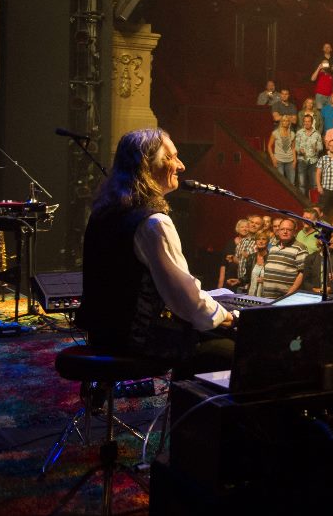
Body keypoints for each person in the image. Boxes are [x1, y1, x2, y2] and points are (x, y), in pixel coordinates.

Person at [78, 129, 235, 370]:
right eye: (170, 158)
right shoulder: (154, 222)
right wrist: (226, 316)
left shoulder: (104, 212)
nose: (181, 166)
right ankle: (190, 406)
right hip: (136, 340)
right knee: (236, 349)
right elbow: (186, 300)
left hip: (102, 332)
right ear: (145, 164)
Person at [260, 218, 309, 299]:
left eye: (289, 229)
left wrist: (290, 293)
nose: (285, 232)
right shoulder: (272, 247)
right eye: (282, 229)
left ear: (294, 232)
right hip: (267, 297)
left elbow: (303, 273)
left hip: (286, 298)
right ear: (278, 231)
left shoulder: (300, 248)